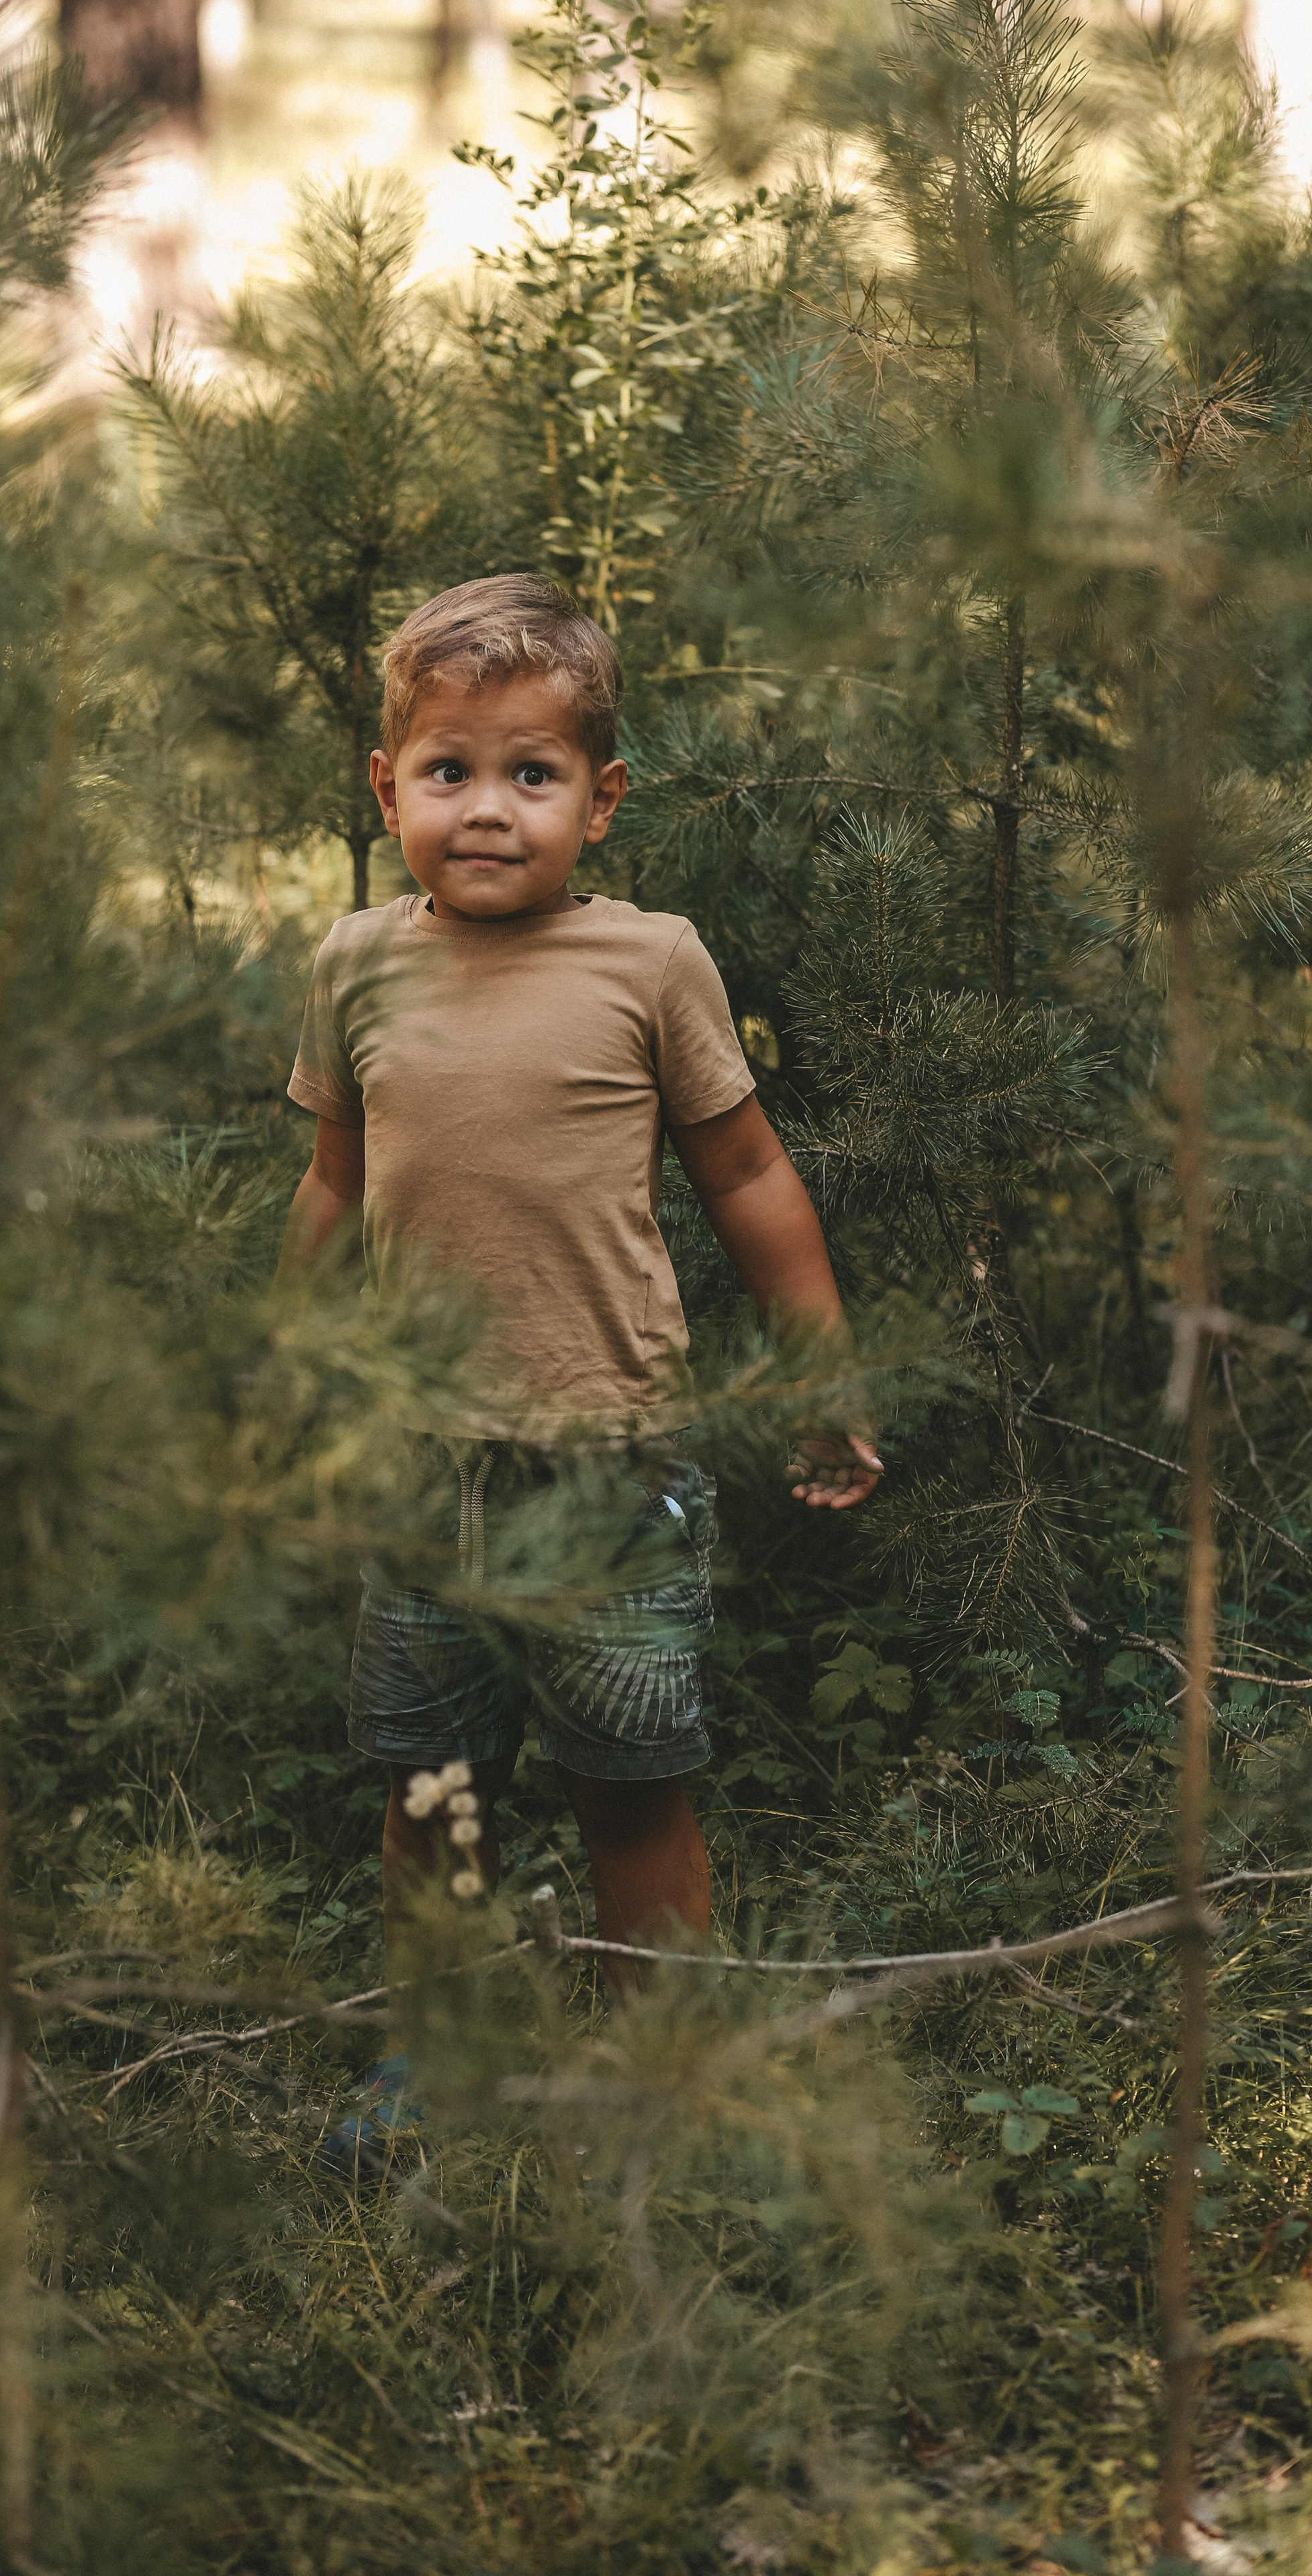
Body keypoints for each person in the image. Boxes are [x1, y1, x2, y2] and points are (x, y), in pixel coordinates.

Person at [281, 574, 880, 1976]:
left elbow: (746, 1177)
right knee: (435, 1790)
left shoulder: (648, 961)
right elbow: (331, 1181)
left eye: (529, 774)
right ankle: (437, 2043)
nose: (485, 807)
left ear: (599, 800)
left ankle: (658, 2053)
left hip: (611, 1456)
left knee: (626, 1784)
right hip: (420, 1456)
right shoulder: (357, 964)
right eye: (447, 770)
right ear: (387, 790)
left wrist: (821, 1378)